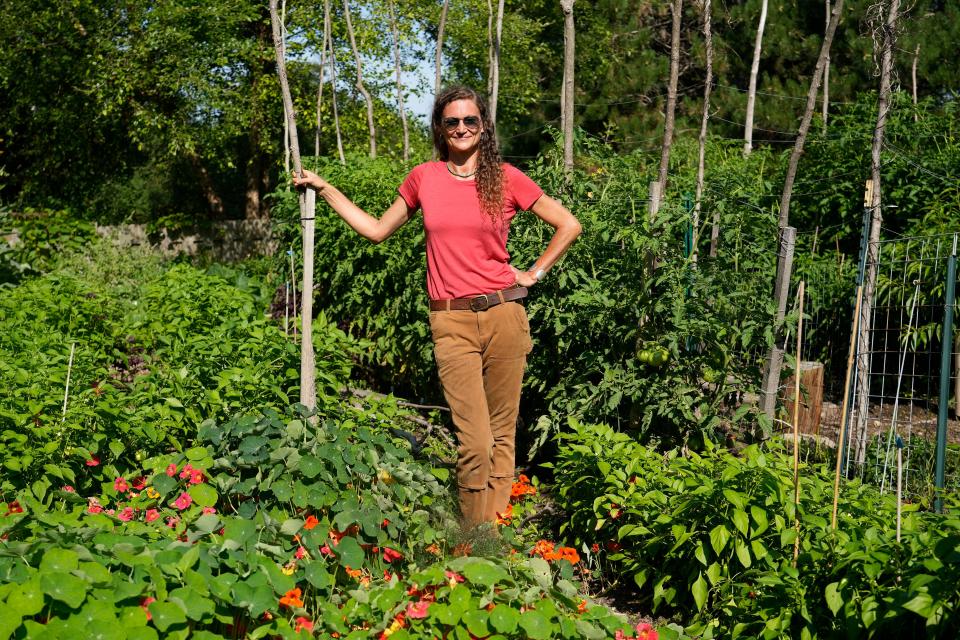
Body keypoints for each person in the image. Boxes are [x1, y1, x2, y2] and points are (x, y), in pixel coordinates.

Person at [293, 85, 581, 526]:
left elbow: (568, 224)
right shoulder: (424, 177)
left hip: (505, 313)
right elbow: (374, 230)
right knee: (475, 441)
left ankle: (495, 539)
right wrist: (326, 188)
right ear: (440, 129)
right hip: (452, 321)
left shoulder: (505, 178)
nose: (462, 128)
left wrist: (533, 272)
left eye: (470, 121)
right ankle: (471, 537)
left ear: (483, 127)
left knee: (503, 435)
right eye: (452, 122)